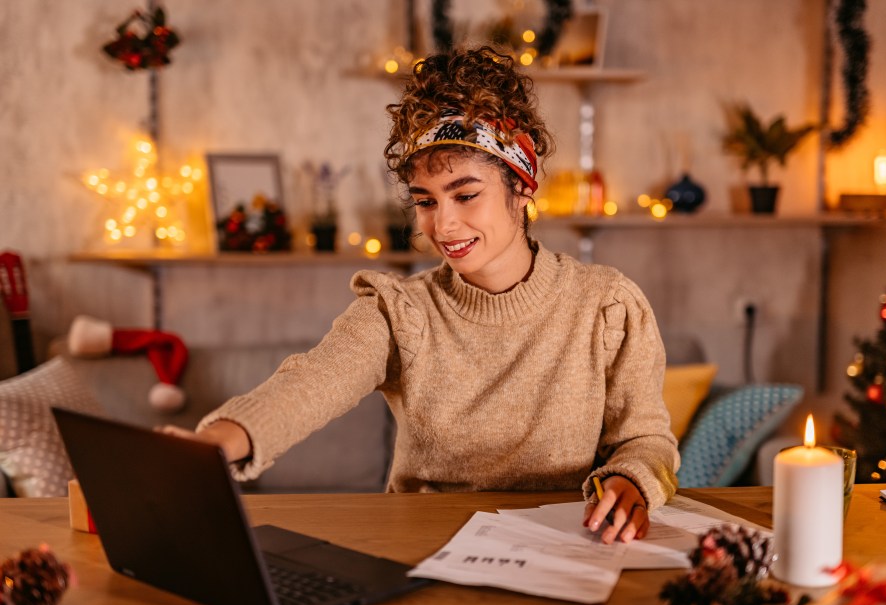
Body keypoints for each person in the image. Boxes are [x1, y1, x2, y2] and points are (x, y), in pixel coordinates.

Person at [166, 46, 679, 544]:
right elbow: (312, 382)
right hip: (425, 549)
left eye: (466, 194)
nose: (444, 224)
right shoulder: (400, 312)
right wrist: (218, 442)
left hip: (569, 548)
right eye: (425, 201)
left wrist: (631, 479)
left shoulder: (607, 304)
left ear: (522, 188)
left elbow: (646, 439)